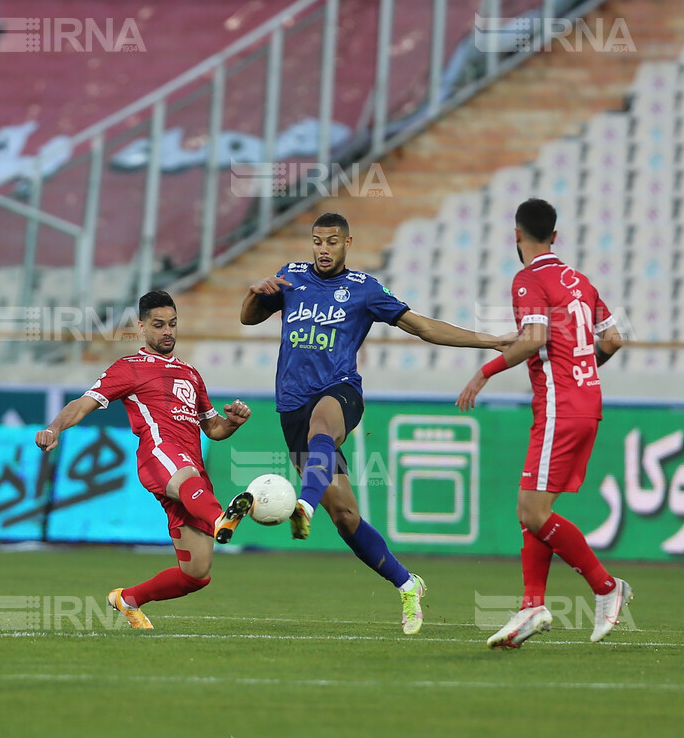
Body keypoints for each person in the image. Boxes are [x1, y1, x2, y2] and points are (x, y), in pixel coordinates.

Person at [226, 212, 516, 635]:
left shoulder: (363, 290)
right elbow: (248, 318)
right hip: (290, 406)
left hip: (340, 392)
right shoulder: (291, 278)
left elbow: (422, 327)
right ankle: (407, 583)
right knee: (345, 517)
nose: (323, 249)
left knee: (323, 425)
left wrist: (489, 340)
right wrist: (256, 293)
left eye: (332, 242)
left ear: (348, 243)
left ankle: (302, 504)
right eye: (317, 241)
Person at [455, 198, 629, 649]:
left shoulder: (528, 279)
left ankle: (606, 588)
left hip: (559, 407)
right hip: (584, 401)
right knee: (533, 510)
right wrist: (582, 371)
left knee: (532, 512)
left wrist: (483, 373)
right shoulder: (579, 280)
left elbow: (533, 339)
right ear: (555, 236)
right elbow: (612, 338)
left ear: (517, 235)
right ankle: (532, 604)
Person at [36, 290, 251, 629]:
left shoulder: (192, 374)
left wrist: (233, 424)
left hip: (191, 476)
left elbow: (212, 428)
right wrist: (54, 427)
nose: (168, 331)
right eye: (159, 325)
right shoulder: (129, 368)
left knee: (197, 573)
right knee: (188, 474)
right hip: (160, 456)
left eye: (173, 324)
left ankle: (128, 599)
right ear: (142, 327)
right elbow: (83, 403)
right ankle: (221, 518)